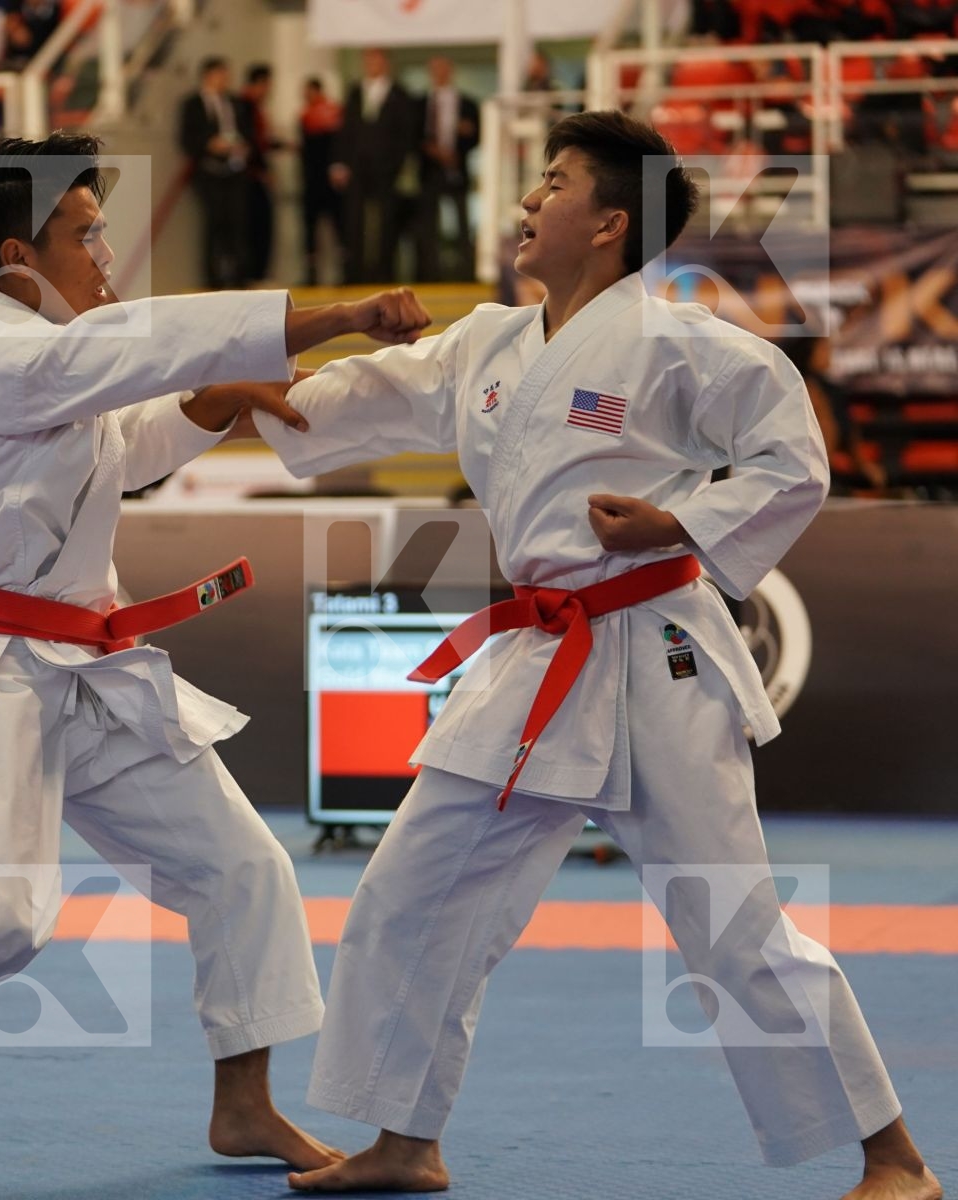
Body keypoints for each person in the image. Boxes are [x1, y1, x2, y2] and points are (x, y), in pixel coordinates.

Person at [256, 111, 941, 1200]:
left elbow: (794, 463)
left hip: (655, 651)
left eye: (554, 183)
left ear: (612, 223)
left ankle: (893, 1158)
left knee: (729, 920)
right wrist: (243, 391)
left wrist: (678, 527)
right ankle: (406, 1138)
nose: (529, 200)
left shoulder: (687, 345)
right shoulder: (487, 343)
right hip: (538, 658)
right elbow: (360, 401)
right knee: (411, 887)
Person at [0, 130, 432, 1178]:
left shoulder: (54, 357)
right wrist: (336, 315)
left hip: (92, 673)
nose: (105, 253)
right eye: (84, 234)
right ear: (19, 256)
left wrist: (219, 398)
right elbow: (144, 348)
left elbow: (135, 442)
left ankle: (243, 1106)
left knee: (243, 867)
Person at [332, 48, 419, 284]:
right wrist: (341, 162)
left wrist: (395, 164)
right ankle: (355, 273)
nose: (371, 64)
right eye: (368, 60)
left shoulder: (399, 95)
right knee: (354, 220)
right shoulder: (355, 92)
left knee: (387, 222)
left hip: (386, 169)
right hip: (357, 167)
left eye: (376, 60)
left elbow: (406, 135)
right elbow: (346, 130)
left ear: (386, 63)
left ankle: (384, 273)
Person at [179, 57, 252, 288]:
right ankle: (213, 278)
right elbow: (187, 138)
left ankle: (239, 276)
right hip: (209, 171)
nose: (225, 80)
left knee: (238, 223)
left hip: (235, 169)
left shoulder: (235, 102)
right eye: (221, 75)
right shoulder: (193, 103)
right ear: (208, 76)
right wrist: (210, 144)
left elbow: (246, 130)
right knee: (214, 223)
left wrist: (242, 146)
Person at [414, 55, 479, 282]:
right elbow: (412, 137)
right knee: (428, 225)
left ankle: (465, 274)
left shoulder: (468, 104)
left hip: (457, 170)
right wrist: (431, 150)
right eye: (435, 69)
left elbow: (478, 135)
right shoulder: (420, 104)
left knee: (462, 223)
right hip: (429, 171)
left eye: (443, 69)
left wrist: (465, 137)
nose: (440, 73)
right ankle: (430, 275)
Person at [298, 77, 345, 287]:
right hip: (312, 180)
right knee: (312, 228)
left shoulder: (331, 112)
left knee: (337, 226)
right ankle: (312, 272)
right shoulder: (305, 115)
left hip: (327, 181)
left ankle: (344, 271)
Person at [239, 64, 278, 285]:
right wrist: (262, 171)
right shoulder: (245, 106)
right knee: (257, 225)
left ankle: (258, 274)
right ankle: (254, 275)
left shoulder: (256, 107)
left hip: (255, 173)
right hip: (251, 176)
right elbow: (251, 142)